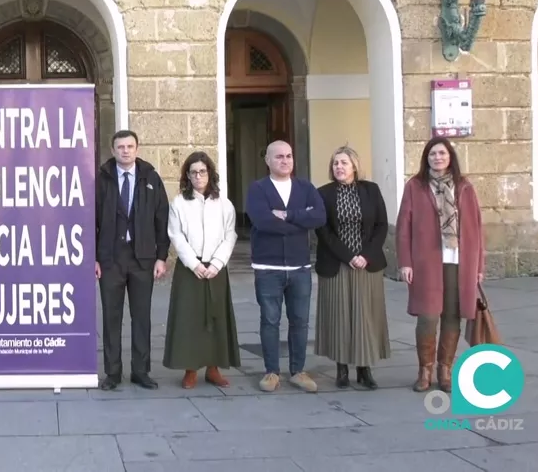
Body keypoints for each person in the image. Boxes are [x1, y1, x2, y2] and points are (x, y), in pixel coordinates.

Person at [396, 136, 486, 394]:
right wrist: (405, 262)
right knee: (427, 316)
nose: (437, 158)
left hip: (460, 262)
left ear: (450, 157)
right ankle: (424, 370)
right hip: (426, 262)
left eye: (442, 154)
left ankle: (445, 369)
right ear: (427, 158)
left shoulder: (464, 187)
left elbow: (477, 228)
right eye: (433, 154)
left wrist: (479, 266)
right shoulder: (415, 186)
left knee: (452, 316)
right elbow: (404, 226)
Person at [244, 140, 325, 393]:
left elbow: (319, 217)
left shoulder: (305, 187)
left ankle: (298, 371)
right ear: (267, 160)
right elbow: (263, 221)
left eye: (289, 156)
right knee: (270, 320)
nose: (285, 160)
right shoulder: (258, 189)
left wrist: (288, 215)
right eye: (279, 156)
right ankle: (271, 372)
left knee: (300, 320)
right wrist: (301, 219)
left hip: (300, 266)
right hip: (268, 266)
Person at [95, 130, 169, 391]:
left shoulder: (150, 178)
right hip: (111, 258)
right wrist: (94, 257)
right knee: (111, 317)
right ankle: (112, 373)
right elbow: (91, 219)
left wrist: (161, 256)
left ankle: (141, 371)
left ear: (137, 148)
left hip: (143, 258)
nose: (125, 151)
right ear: (113, 150)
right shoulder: (102, 179)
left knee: (142, 316)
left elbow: (162, 218)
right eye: (120, 147)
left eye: (130, 146)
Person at [314, 146, 391, 390]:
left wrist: (365, 255)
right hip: (337, 264)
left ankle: (364, 369)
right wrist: (349, 256)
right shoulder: (323, 194)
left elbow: (381, 225)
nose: (339, 167)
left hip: (367, 266)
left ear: (354, 166)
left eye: (344, 162)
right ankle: (342, 369)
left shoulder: (371, 190)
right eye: (335, 163)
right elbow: (323, 231)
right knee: (339, 316)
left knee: (365, 316)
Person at [162, 151, 241, 389]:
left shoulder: (223, 204)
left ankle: (213, 368)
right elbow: (176, 235)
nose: (198, 176)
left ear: (210, 173)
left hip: (216, 268)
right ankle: (190, 369)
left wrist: (216, 263)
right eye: (194, 172)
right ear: (187, 175)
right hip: (191, 269)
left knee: (216, 318)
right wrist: (194, 264)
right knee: (190, 320)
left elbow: (230, 235)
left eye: (203, 171)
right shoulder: (179, 203)